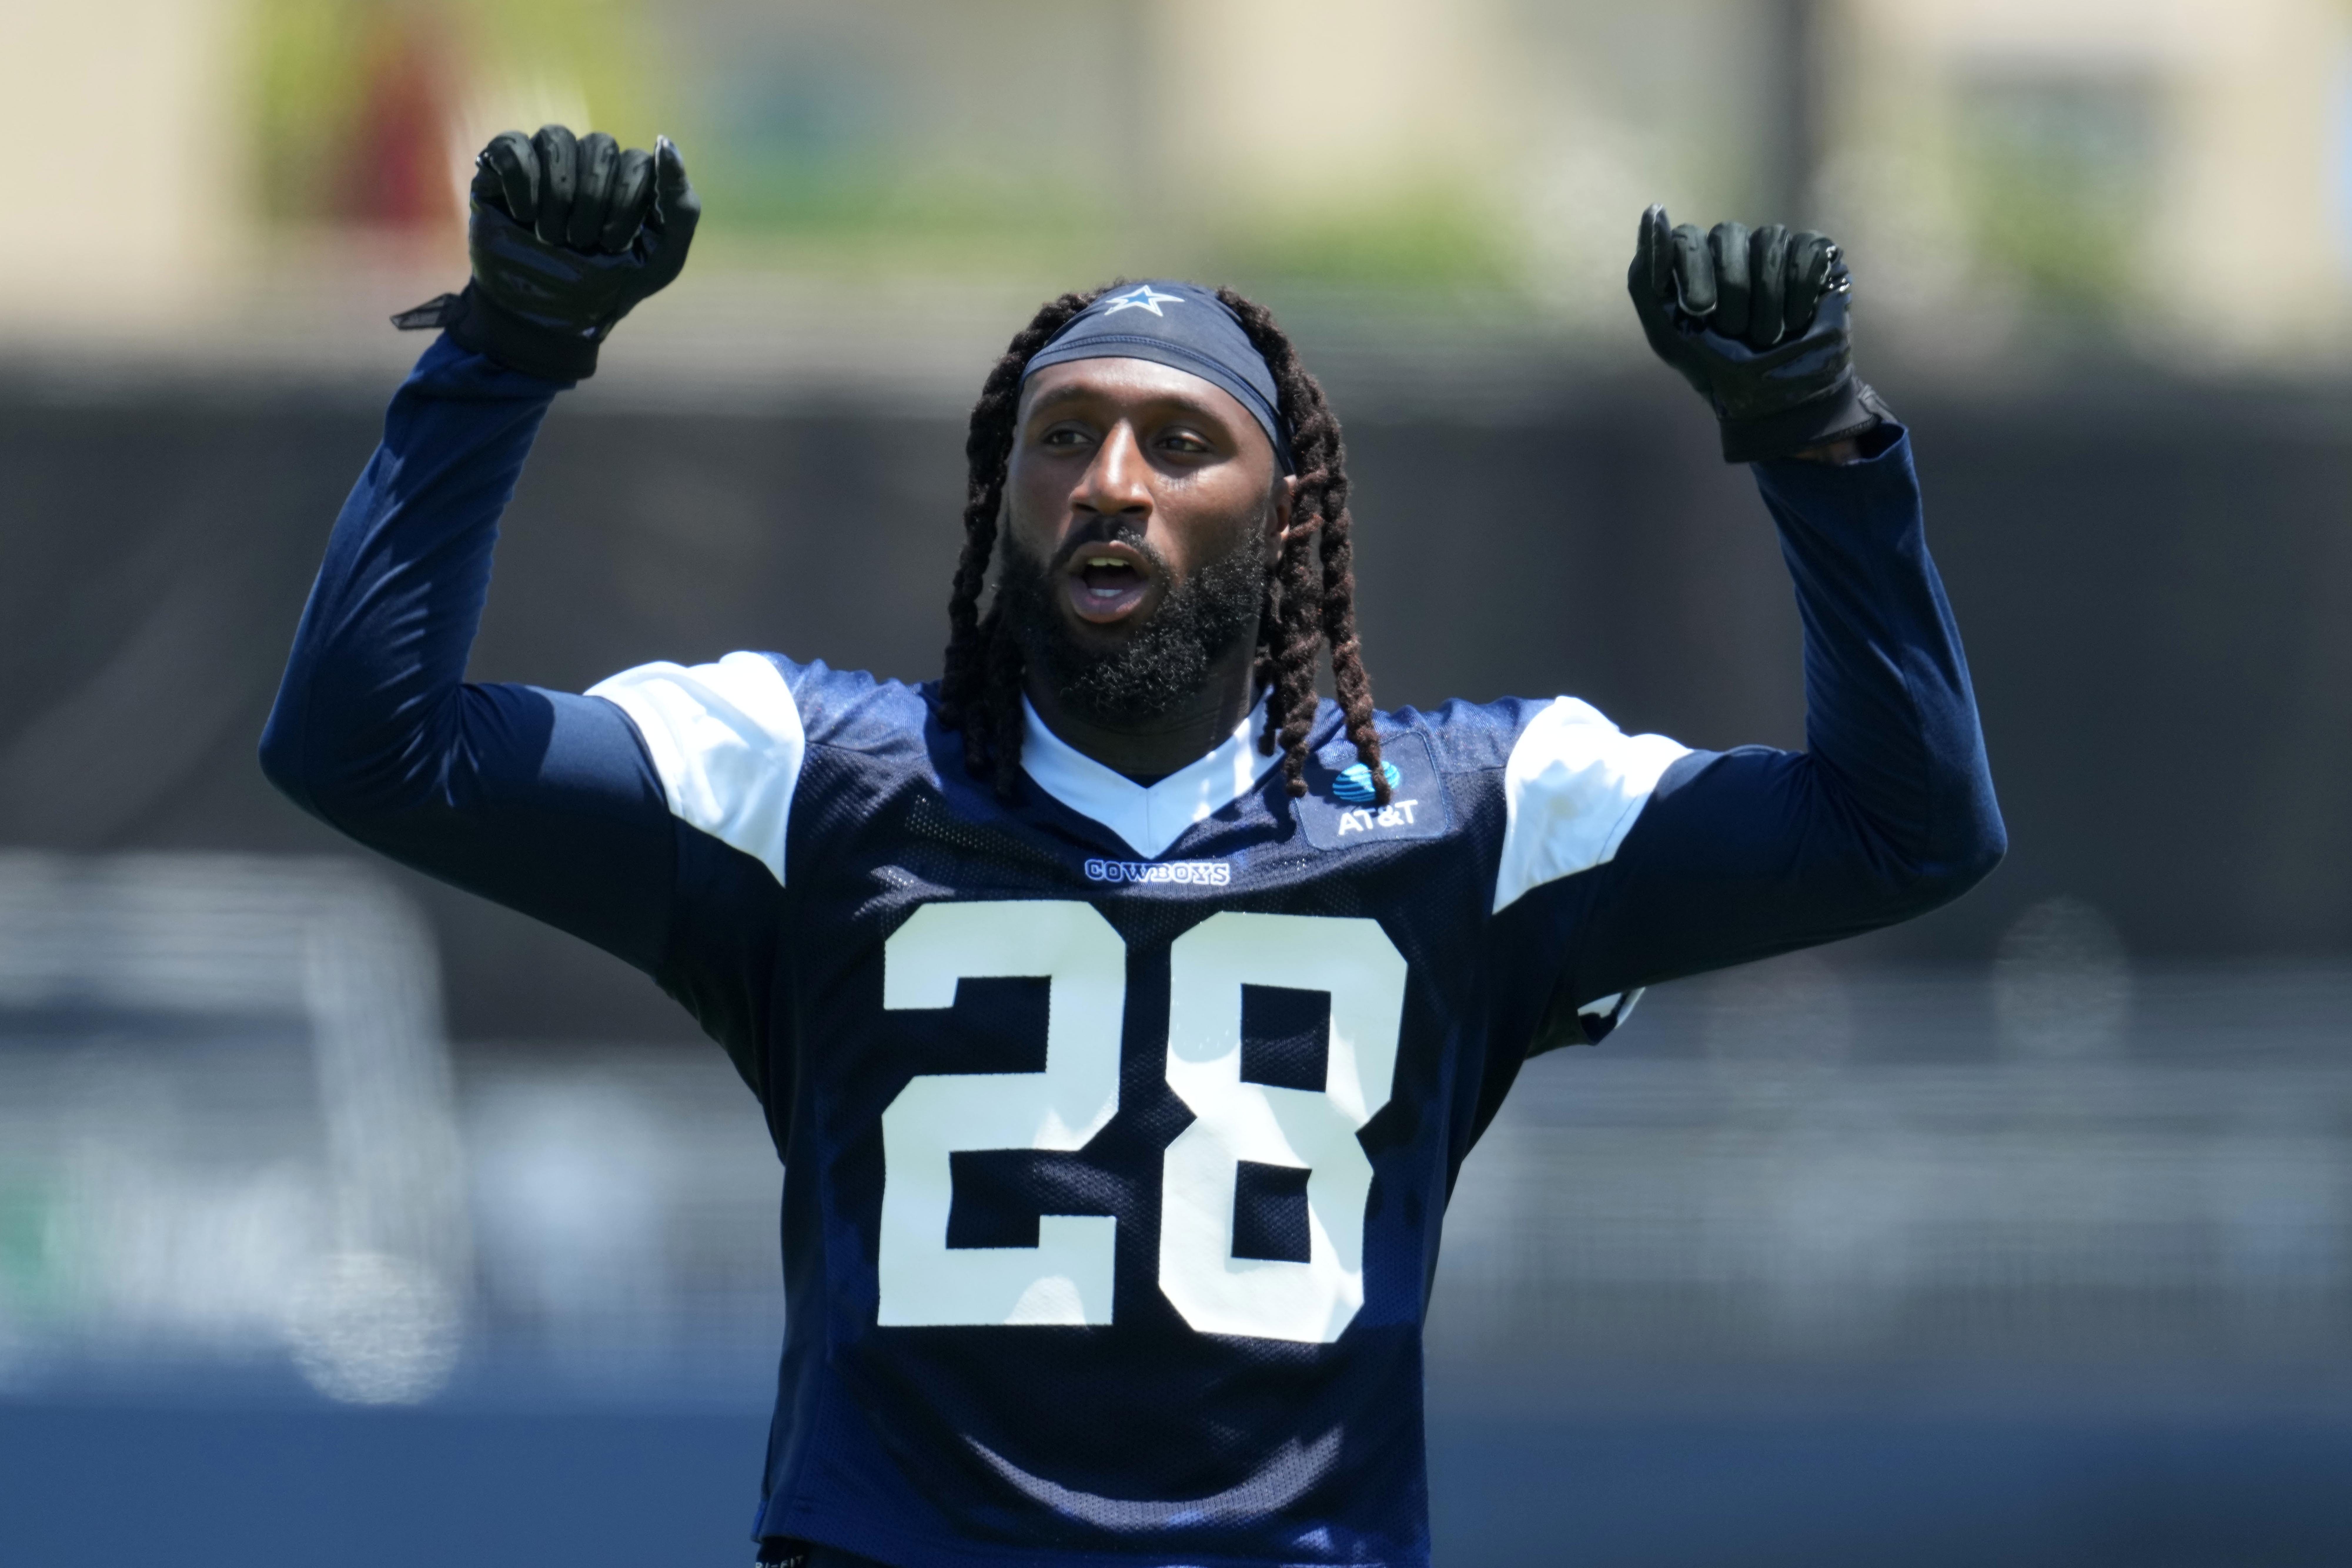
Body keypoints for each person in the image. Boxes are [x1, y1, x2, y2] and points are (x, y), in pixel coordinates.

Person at [262, 125, 2003, 1568]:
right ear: (996, 499)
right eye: (1062, 436)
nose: (1112, 478)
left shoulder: (1473, 813)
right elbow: (366, 740)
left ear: (1285, 508)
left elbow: (1905, 827)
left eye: (1179, 441)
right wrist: (503, 347)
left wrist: (1815, 440)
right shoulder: (807, 776)